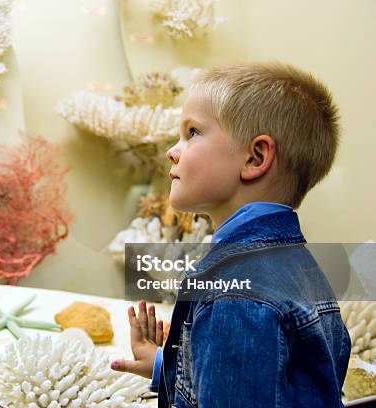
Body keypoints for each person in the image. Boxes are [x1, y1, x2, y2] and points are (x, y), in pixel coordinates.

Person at [111, 62, 351, 407]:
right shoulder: (302, 268)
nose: (172, 150)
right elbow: (290, 387)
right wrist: (165, 365)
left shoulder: (236, 297)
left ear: (255, 158)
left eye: (192, 132)